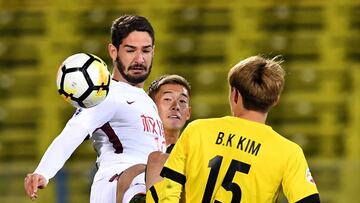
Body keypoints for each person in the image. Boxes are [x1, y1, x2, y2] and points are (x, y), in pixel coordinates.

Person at [24, 14, 166, 203]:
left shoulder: (148, 102)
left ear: (153, 51)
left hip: (147, 185)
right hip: (116, 184)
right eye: (131, 50)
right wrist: (44, 171)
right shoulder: (106, 93)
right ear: (114, 52)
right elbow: (75, 130)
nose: (139, 59)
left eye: (146, 51)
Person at [150, 55, 321, 203]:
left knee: (155, 163)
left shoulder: (198, 130)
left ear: (235, 94)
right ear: (275, 100)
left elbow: (169, 188)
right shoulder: (289, 152)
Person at [115, 74, 191, 203]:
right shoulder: (129, 152)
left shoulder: (193, 155)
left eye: (182, 101)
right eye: (167, 99)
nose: (176, 106)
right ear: (151, 108)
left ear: (188, 113)